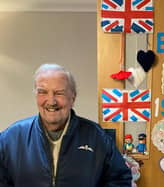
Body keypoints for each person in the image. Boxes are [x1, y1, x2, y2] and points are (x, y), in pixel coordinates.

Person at [0, 64, 132, 187]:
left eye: (59, 93)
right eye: (43, 92)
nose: (51, 101)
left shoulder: (97, 137)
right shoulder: (10, 139)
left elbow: (120, 180)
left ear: (73, 97)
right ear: (36, 96)